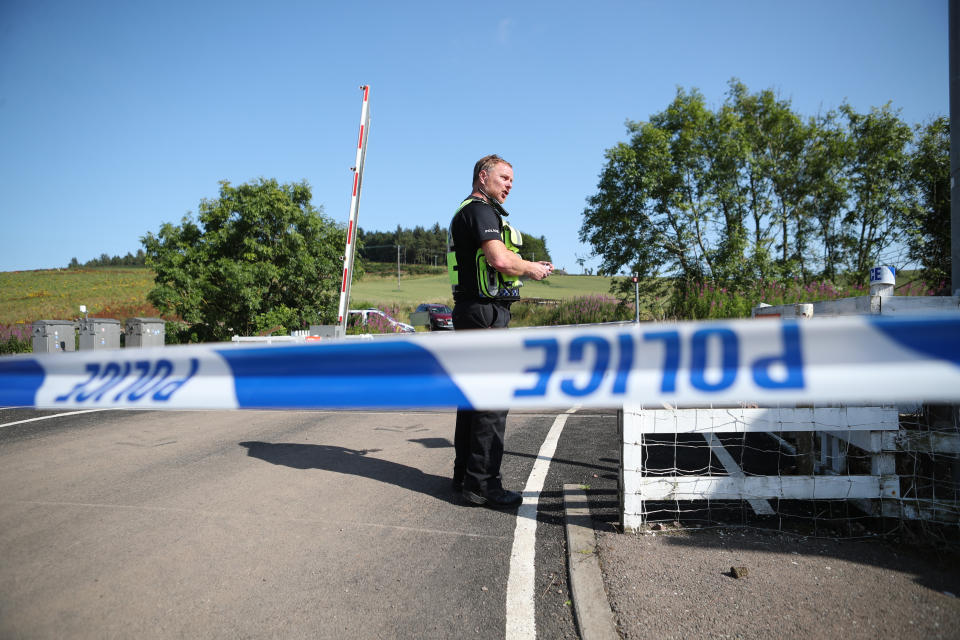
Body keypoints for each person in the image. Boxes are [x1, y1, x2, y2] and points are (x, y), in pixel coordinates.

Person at [446, 154, 554, 508]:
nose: (509, 184)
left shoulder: (469, 211)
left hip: (472, 313)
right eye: (504, 177)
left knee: (473, 399)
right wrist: (532, 268)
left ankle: (465, 476)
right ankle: (483, 485)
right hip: (484, 314)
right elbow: (500, 259)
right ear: (483, 177)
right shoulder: (480, 212)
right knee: (492, 401)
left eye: (512, 180)